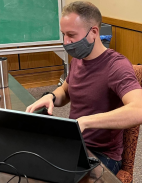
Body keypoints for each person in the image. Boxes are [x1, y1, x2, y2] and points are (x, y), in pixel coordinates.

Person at [26, 1, 142, 175]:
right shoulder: (78, 60)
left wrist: (86, 121)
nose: (66, 42)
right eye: (63, 34)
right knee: (27, 161)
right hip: (74, 143)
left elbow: (139, 109)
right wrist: (50, 96)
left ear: (94, 32)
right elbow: (65, 91)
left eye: (71, 35)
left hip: (102, 155)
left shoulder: (116, 66)